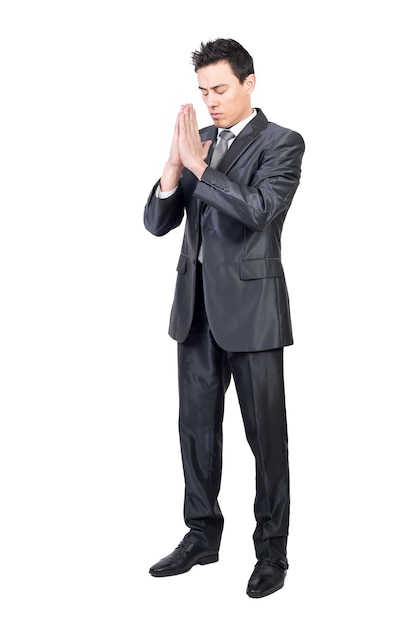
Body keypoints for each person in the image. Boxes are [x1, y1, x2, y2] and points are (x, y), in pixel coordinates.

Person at [143, 38, 305, 598]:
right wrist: (171, 169)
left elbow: (259, 211)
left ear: (249, 82)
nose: (210, 101)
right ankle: (202, 534)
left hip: (254, 314)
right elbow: (157, 224)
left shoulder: (283, 143)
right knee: (195, 432)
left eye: (221, 89)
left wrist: (198, 167)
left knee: (267, 438)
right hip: (196, 313)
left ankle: (272, 553)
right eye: (203, 91)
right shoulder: (199, 142)